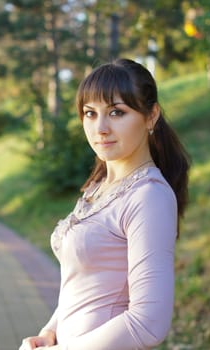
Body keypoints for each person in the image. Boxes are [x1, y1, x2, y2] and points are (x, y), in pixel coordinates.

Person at [19, 58, 190, 350]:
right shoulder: (97, 189)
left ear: (151, 116)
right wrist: (50, 332)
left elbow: (149, 322)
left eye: (116, 112)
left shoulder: (149, 196)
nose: (100, 127)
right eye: (90, 113)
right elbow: (83, 286)